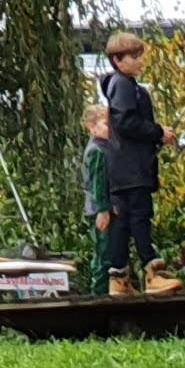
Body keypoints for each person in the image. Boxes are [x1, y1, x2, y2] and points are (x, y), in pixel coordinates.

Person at [98, 31, 175, 297]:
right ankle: (153, 272)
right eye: (134, 56)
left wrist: (156, 135)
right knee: (141, 218)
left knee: (123, 223)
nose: (140, 61)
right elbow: (126, 122)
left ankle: (118, 278)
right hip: (132, 169)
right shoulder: (123, 85)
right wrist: (157, 132)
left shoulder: (125, 86)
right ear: (117, 60)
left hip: (124, 168)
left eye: (140, 55)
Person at [82, 103, 115, 294]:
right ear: (92, 127)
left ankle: (109, 289)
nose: (110, 128)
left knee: (110, 250)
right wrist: (103, 209)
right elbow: (97, 184)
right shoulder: (96, 151)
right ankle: (99, 292)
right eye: (105, 124)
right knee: (104, 253)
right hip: (99, 209)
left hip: (104, 207)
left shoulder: (105, 147)